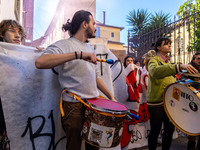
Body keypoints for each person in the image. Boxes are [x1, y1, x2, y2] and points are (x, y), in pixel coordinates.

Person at [35, 10, 116, 150]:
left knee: (94, 145)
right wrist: (78, 55)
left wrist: (111, 97)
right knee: (74, 146)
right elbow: (40, 62)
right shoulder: (63, 45)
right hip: (74, 106)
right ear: (84, 24)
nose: (95, 27)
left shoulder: (90, 48)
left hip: (93, 106)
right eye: (93, 23)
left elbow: (95, 77)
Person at [143, 37, 197, 150]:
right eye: (166, 44)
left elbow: (172, 80)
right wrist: (179, 66)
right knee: (155, 130)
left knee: (169, 130)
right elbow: (155, 72)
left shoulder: (169, 62)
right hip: (157, 102)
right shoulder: (153, 60)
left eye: (170, 44)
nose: (170, 46)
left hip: (170, 101)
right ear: (158, 47)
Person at [186, 52, 200, 150]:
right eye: (198, 58)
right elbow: (183, 83)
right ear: (193, 60)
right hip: (192, 102)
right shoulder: (188, 70)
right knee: (192, 129)